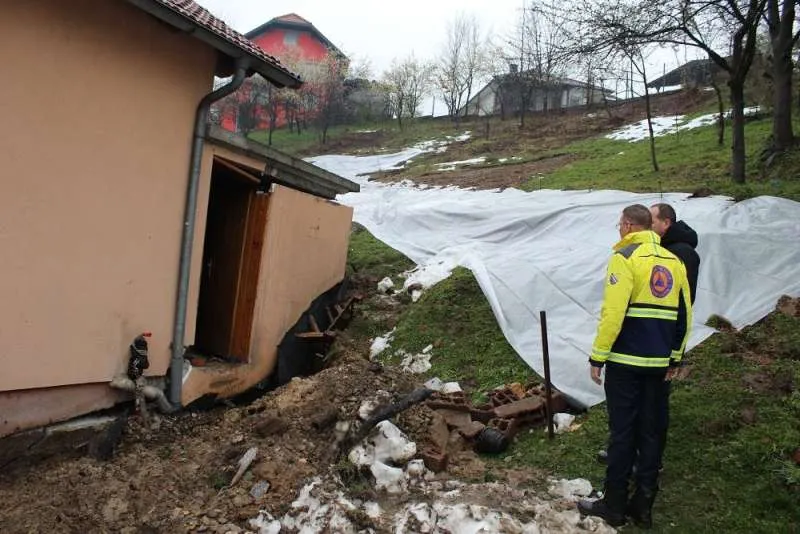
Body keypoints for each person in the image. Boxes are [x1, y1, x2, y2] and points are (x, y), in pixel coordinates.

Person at [578, 204, 692, 528]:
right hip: (659, 364)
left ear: (628, 225)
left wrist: (598, 356)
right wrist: (675, 356)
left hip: (626, 363)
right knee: (651, 432)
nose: (619, 229)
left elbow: (613, 315)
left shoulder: (625, 257)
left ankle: (613, 504)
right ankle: (643, 505)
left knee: (623, 432)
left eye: (619, 224)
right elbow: (685, 314)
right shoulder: (675, 261)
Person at [596, 203, 701, 466]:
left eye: (653, 220)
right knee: (647, 416)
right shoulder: (668, 255)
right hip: (658, 351)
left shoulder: (674, 256)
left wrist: (598, 356)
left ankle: (628, 472)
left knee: (641, 416)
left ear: (666, 223)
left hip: (637, 352)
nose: (651, 225)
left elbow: (680, 309)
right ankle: (643, 475)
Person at [650, 203, 700, 305]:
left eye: (651, 222)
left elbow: (685, 294)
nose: (646, 227)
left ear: (666, 223)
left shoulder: (683, 252)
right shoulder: (659, 247)